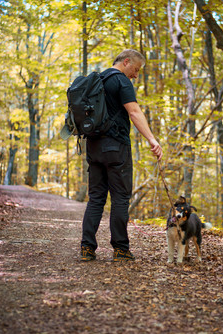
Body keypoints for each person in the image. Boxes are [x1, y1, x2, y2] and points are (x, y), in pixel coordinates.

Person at [80, 49, 162, 262]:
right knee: (120, 198)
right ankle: (121, 249)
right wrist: (152, 140)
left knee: (96, 198)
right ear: (126, 62)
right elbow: (134, 112)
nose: (135, 75)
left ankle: (87, 248)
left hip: (94, 147)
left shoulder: (97, 80)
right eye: (135, 69)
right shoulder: (121, 82)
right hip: (116, 148)